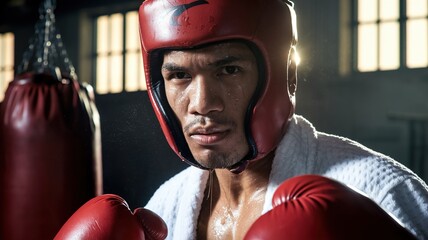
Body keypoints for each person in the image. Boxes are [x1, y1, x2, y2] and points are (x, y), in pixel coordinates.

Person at [138, 0, 428, 239]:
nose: (203, 104)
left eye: (229, 71)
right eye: (179, 76)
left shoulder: (380, 191)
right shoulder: (166, 206)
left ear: (286, 75)